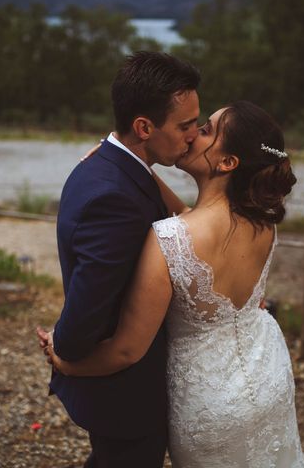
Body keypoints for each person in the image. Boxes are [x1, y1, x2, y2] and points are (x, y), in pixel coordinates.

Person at [42, 101, 304, 467]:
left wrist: (66, 364)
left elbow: (126, 351)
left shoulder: (170, 239)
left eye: (207, 130)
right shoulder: (263, 223)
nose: (193, 134)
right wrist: (134, 167)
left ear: (228, 163)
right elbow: (197, 218)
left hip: (209, 401)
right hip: (267, 376)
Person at [37, 51, 201, 468]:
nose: (194, 135)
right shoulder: (115, 198)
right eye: (185, 125)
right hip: (128, 399)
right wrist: (64, 351)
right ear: (144, 127)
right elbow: (87, 306)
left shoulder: (108, 167)